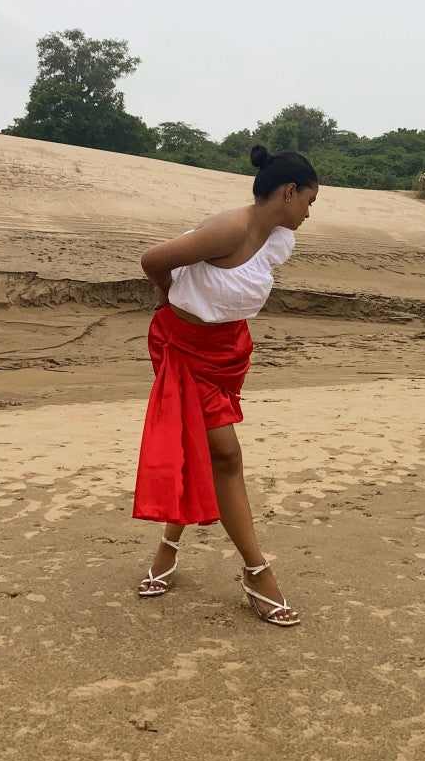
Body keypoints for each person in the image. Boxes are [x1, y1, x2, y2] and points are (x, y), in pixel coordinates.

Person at [133, 144, 318, 626]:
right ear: (289, 191)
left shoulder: (276, 237)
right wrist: (163, 295)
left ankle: (169, 547)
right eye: (308, 202)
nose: (307, 214)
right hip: (183, 346)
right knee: (227, 455)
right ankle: (257, 572)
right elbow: (153, 259)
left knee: (204, 447)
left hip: (228, 352)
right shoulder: (228, 228)